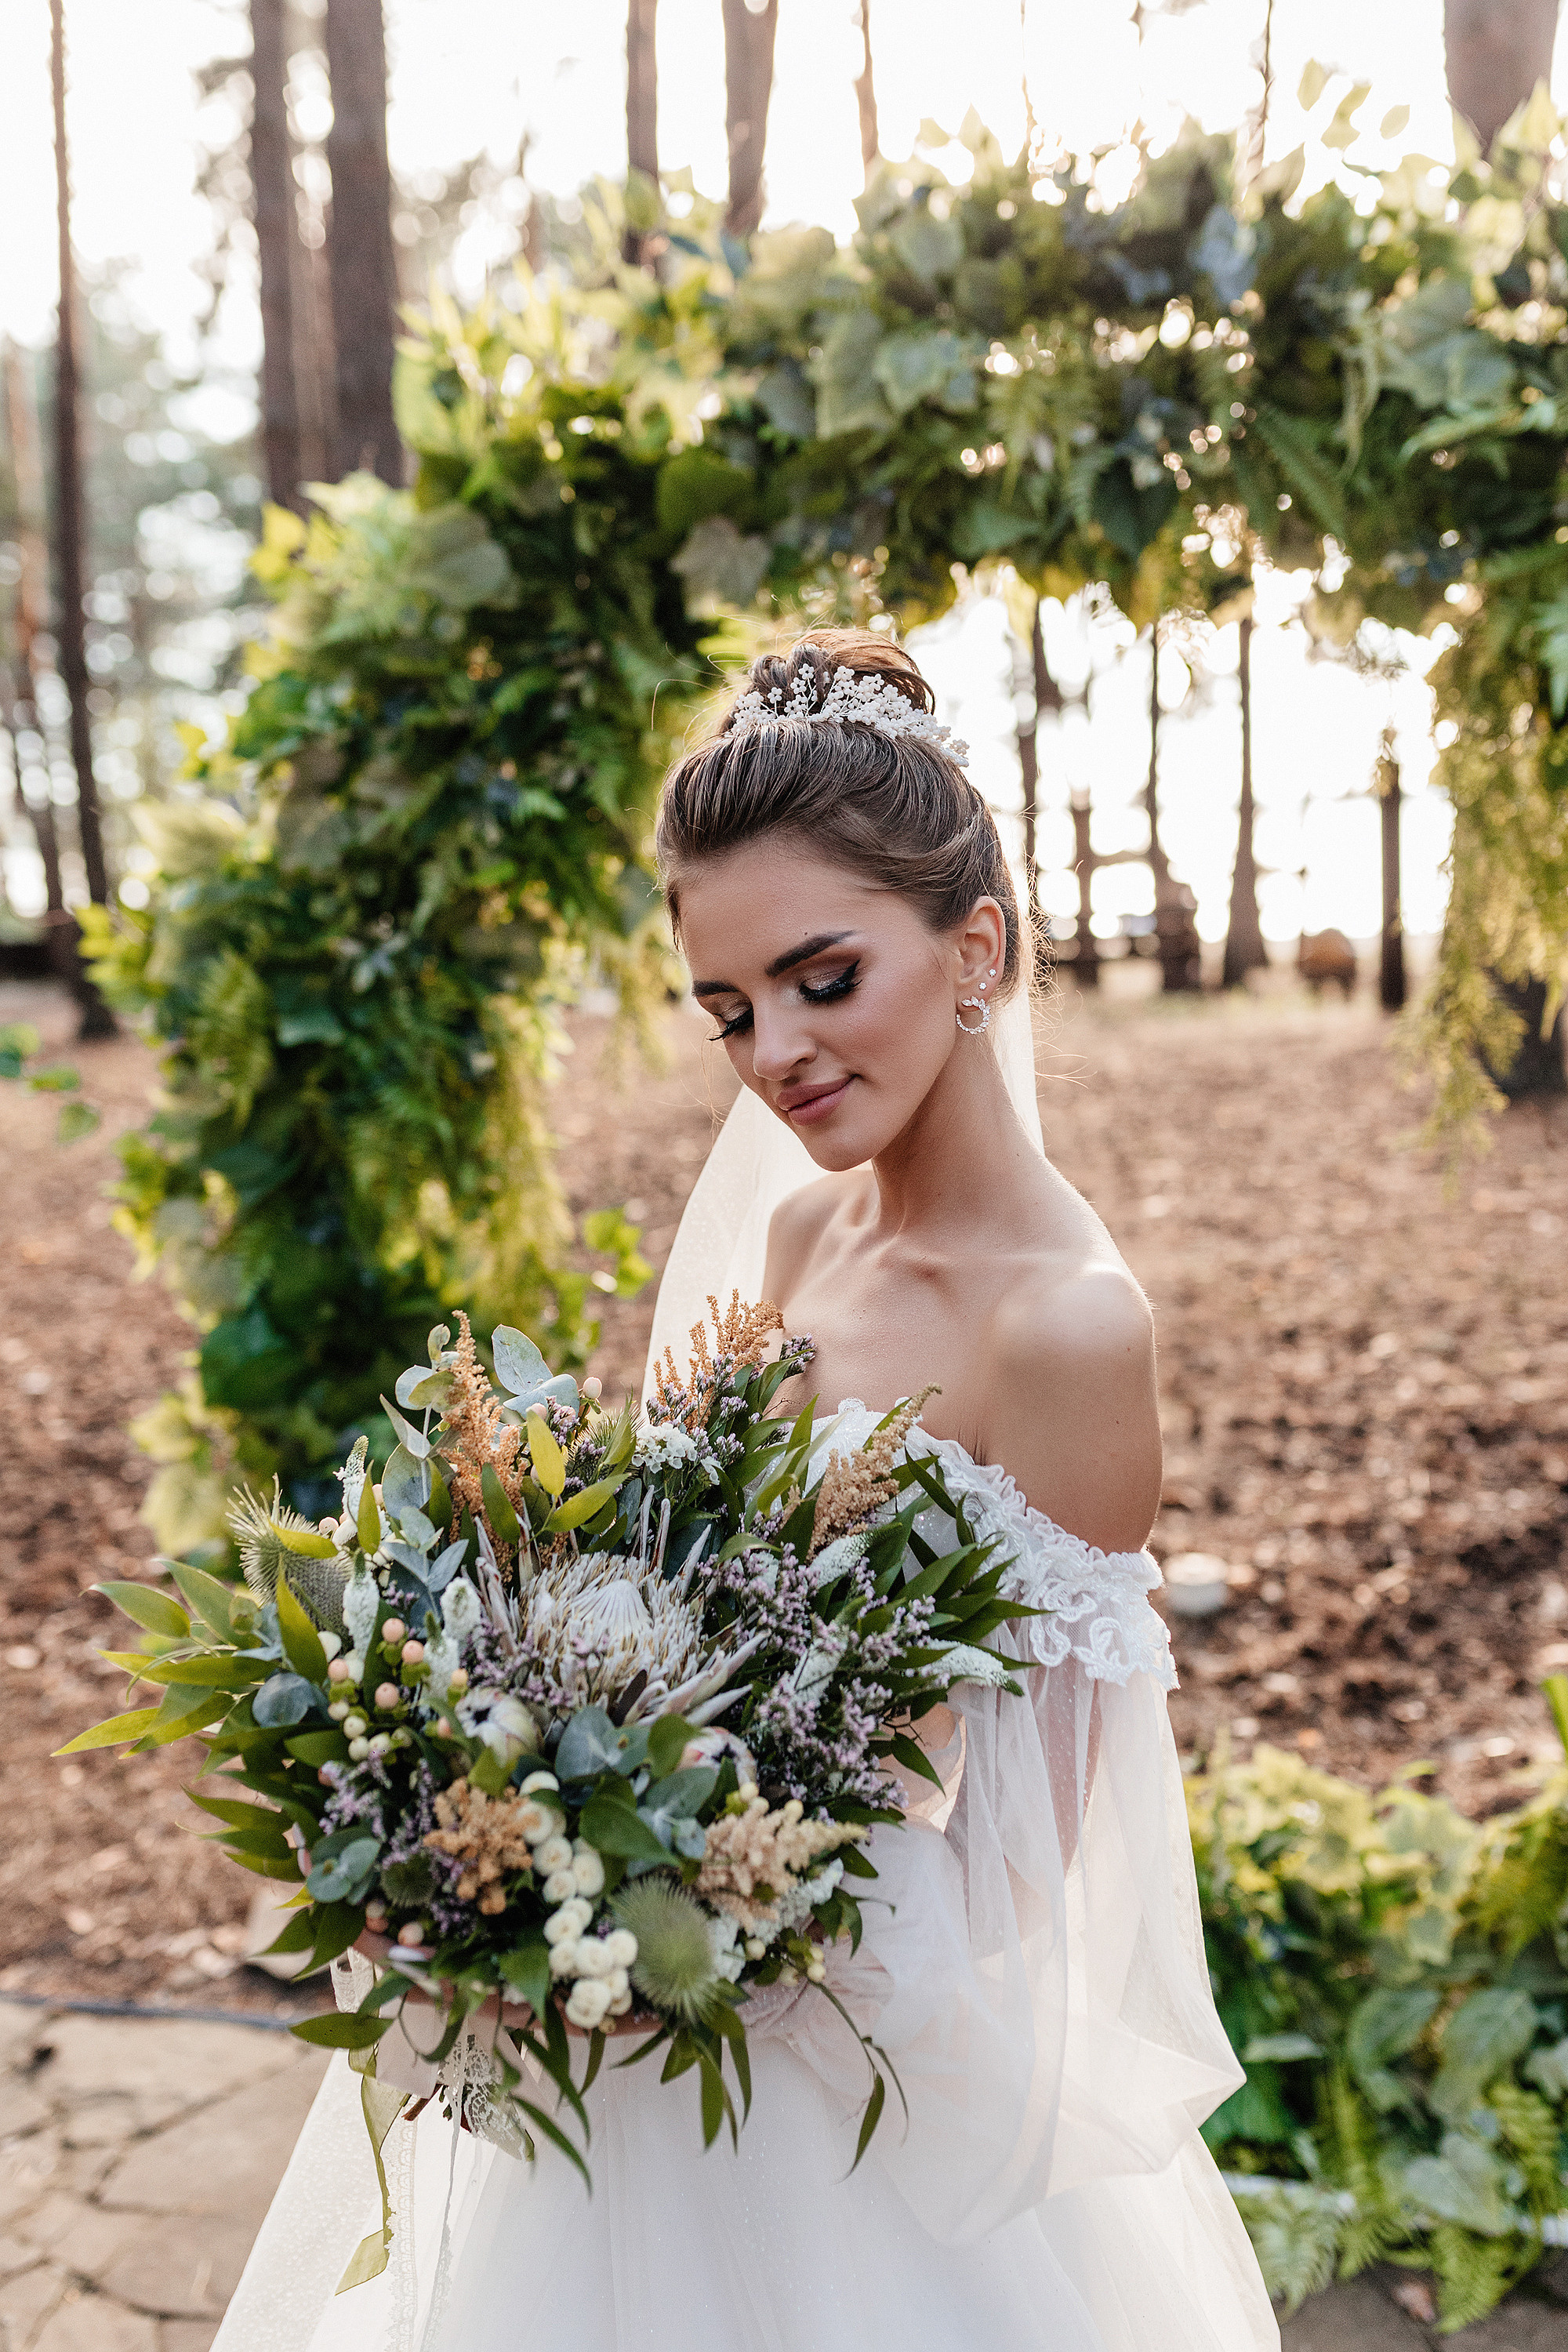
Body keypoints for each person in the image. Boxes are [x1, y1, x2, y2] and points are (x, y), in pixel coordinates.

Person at [212, 630, 1277, 2352]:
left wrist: (693, 1921)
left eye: (822, 976)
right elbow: (681, 1600)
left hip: (835, 2075)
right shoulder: (797, 1234)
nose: (772, 1050)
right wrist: (501, 1822)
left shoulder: (1067, 1332)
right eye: (728, 1009)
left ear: (974, 947)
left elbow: (1031, 1872)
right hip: (629, 2016)